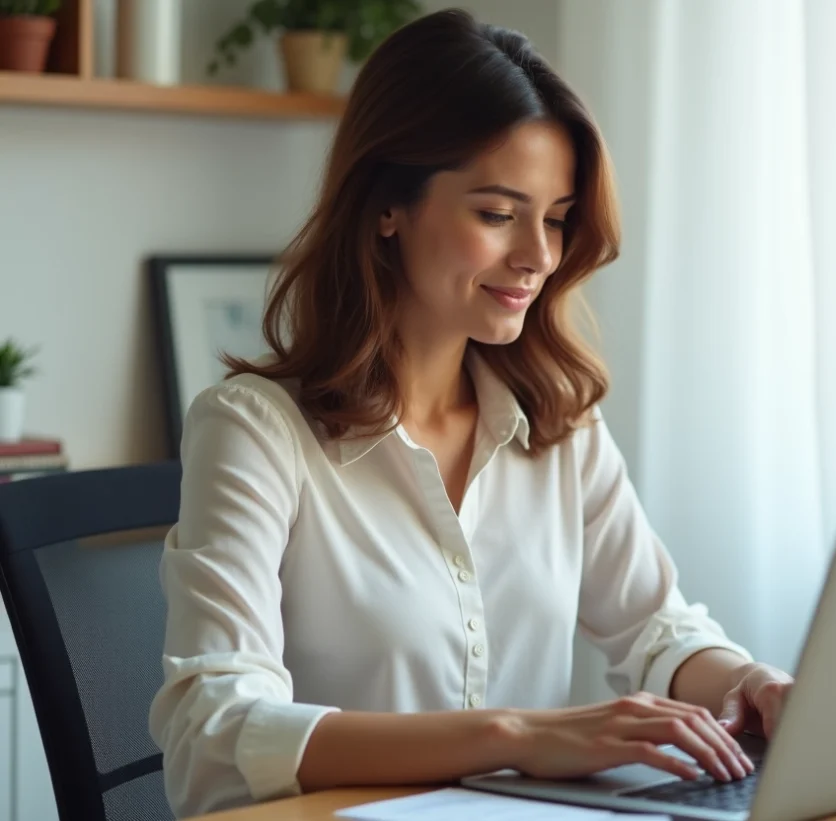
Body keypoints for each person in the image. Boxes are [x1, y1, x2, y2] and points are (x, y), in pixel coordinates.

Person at [148, 8, 795, 818]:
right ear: (388, 205)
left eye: (556, 218)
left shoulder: (558, 426)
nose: (539, 255)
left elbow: (654, 628)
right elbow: (216, 730)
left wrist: (751, 681)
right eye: (497, 214)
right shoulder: (254, 431)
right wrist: (517, 734)